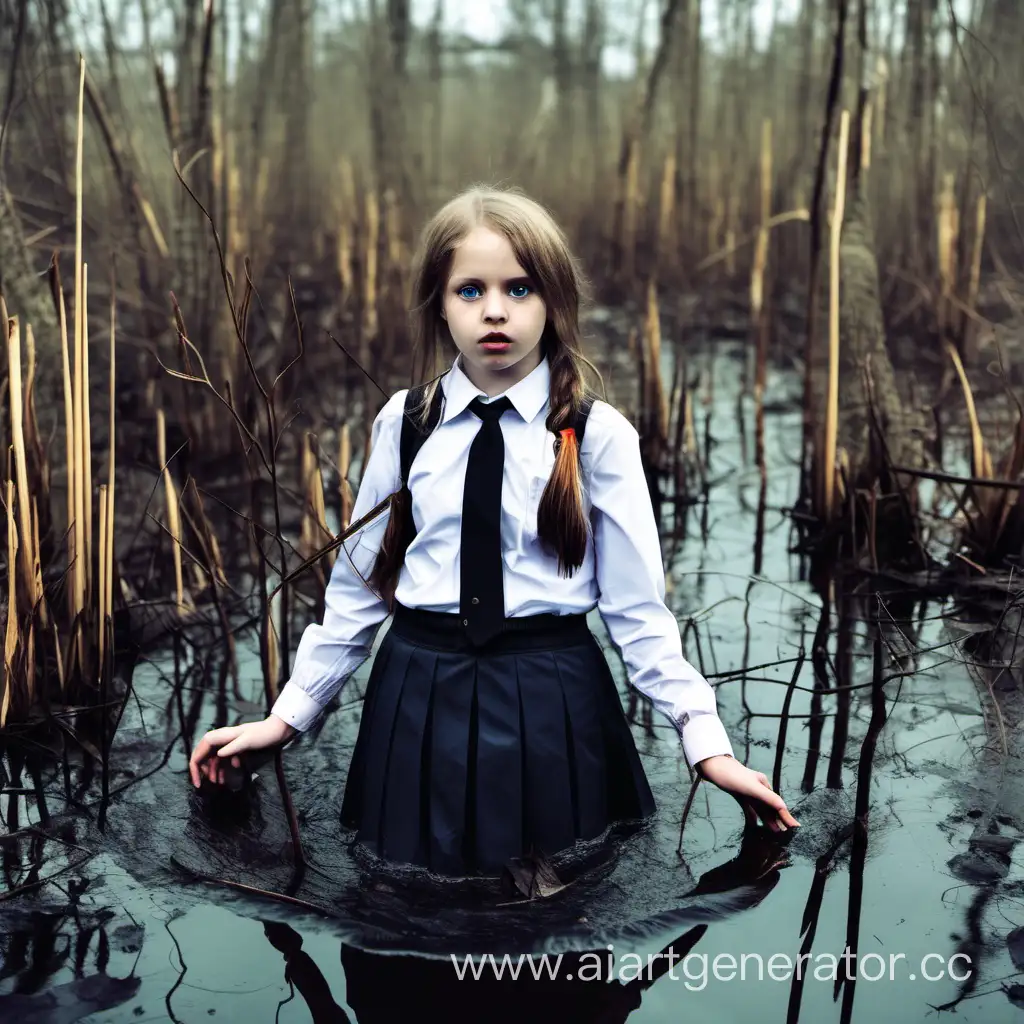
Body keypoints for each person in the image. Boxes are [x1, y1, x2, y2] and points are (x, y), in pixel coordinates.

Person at [188, 185, 799, 877]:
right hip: (416, 694)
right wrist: (286, 720)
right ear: (439, 304)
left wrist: (707, 746)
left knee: (558, 905)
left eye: (521, 288)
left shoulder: (597, 437)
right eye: (470, 291)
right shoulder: (405, 423)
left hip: (553, 699)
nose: (496, 311)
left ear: (554, 302)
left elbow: (638, 615)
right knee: (408, 891)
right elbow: (357, 594)